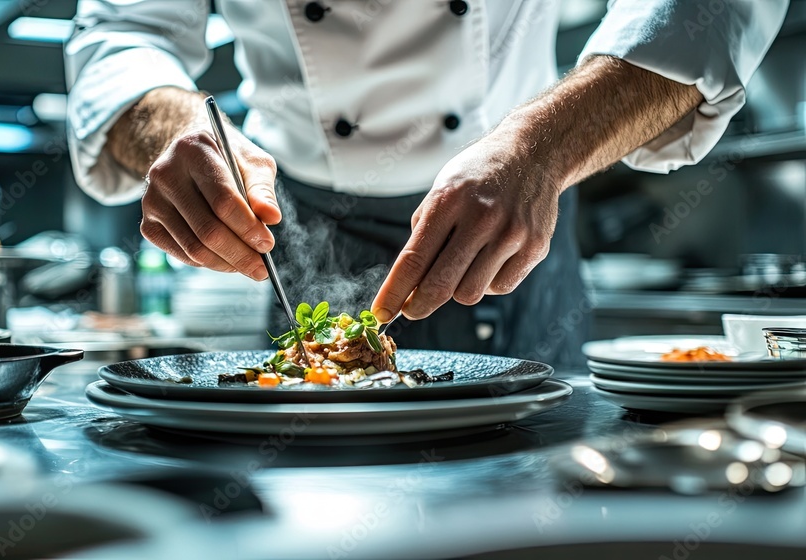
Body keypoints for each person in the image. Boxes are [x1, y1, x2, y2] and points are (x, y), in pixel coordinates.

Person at [65, 0, 786, 366]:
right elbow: (122, 33)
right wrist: (178, 130)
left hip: (515, 218)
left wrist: (539, 152)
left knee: (535, 512)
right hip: (289, 224)